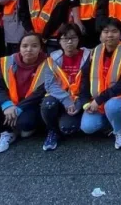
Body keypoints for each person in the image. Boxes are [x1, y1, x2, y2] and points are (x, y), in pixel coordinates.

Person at [0, 33, 46, 153]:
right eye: (25, 46)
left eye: (34, 46)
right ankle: (7, 132)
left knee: (26, 123)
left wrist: (17, 109)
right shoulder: (8, 62)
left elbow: (41, 92)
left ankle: (24, 126)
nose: (29, 49)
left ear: (41, 48)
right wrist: (7, 105)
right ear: (19, 48)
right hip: (9, 102)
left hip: (31, 104)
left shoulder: (48, 64)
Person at [80, 18, 121, 148]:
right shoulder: (93, 53)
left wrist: (99, 100)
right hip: (97, 99)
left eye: (114, 31)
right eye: (106, 32)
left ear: (120, 33)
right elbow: (84, 79)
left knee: (112, 106)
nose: (110, 35)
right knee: (87, 127)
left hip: (119, 98)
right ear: (101, 34)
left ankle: (120, 131)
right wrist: (85, 102)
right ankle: (113, 122)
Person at [39, 23, 92, 151]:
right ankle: (52, 131)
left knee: (68, 128)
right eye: (64, 38)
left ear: (79, 39)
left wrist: (78, 103)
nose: (69, 42)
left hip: (81, 99)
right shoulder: (53, 58)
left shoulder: (89, 56)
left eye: (73, 38)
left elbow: (91, 83)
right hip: (60, 97)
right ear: (59, 41)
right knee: (48, 104)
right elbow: (50, 84)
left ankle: (73, 118)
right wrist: (66, 100)